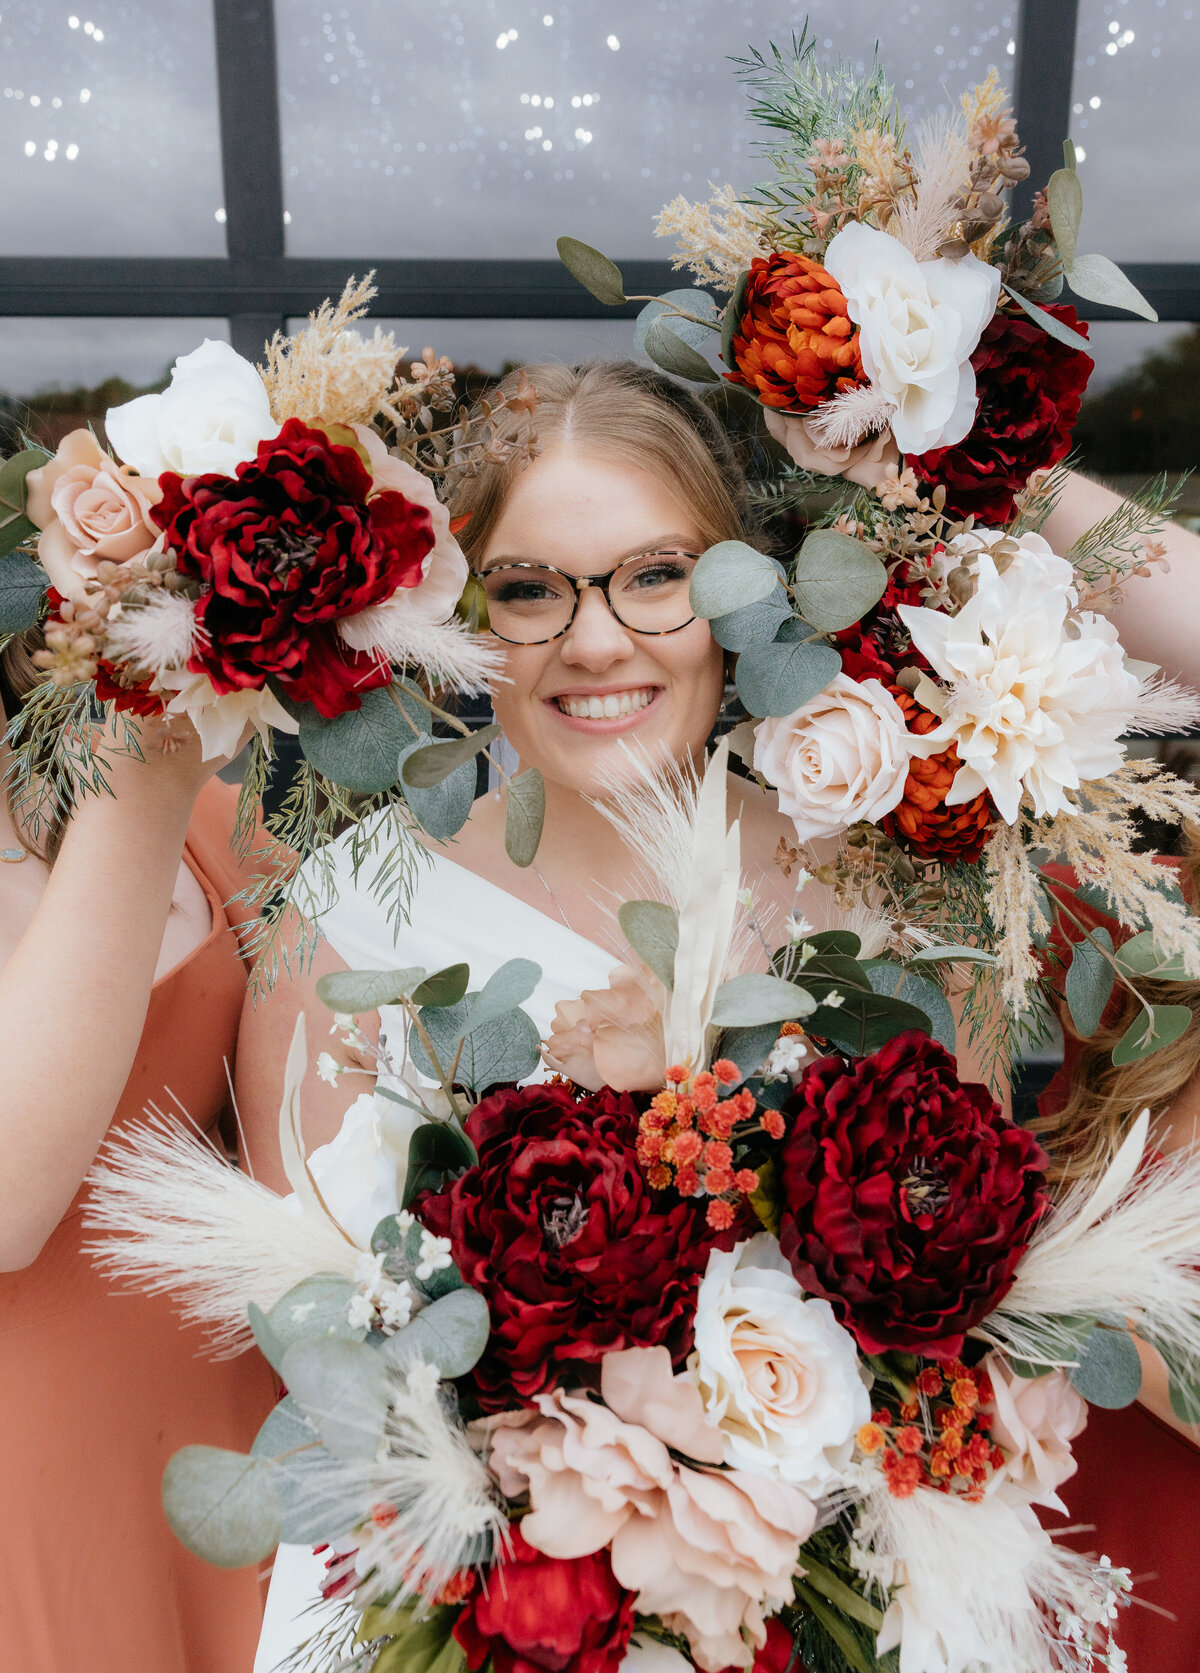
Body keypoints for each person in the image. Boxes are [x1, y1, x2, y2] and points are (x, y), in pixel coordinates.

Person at [0, 634, 277, 1673]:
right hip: (36, 1517)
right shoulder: (156, 789)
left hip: (249, 1455)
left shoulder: (211, 821)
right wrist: (144, 782)